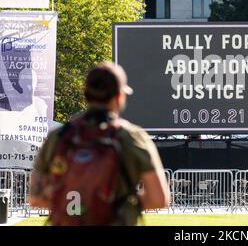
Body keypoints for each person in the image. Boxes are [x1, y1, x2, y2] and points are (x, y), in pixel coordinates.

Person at [29, 62, 170, 225]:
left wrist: (75, 204)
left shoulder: (59, 137)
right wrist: (118, 203)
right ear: (119, 96)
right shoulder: (131, 137)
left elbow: (35, 198)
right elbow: (158, 199)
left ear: (86, 94)